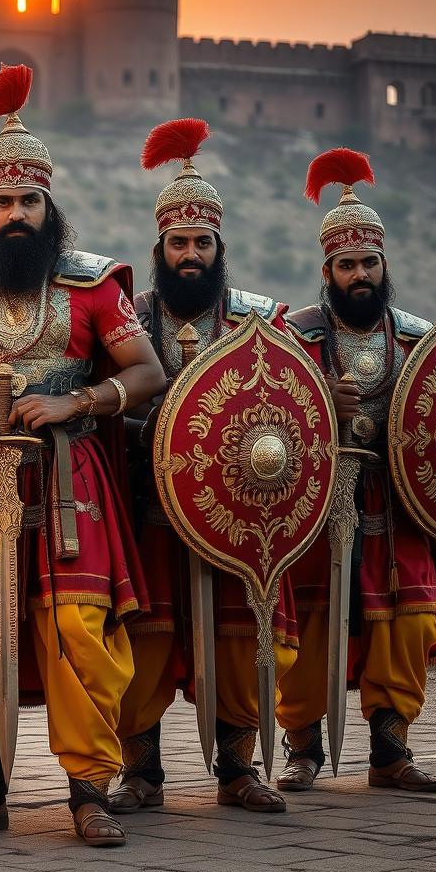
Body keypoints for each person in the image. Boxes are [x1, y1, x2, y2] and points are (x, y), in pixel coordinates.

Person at [0, 64, 166, 846]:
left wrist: (77, 402)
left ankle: (89, 794)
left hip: (69, 481)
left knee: (79, 628)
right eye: (3, 201)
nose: (15, 213)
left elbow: (147, 373)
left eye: (29, 202)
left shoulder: (91, 289)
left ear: (50, 208)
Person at [112, 118, 296, 816]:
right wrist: (147, 431)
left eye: (202, 243)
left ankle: (239, 770)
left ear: (220, 248)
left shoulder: (260, 324)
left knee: (239, 636)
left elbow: (286, 413)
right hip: (150, 513)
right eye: (178, 243)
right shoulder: (128, 320)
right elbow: (108, 409)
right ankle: (142, 773)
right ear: (160, 247)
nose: (190, 254)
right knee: (144, 642)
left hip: (235, 521)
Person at [275, 147, 436, 793]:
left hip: (400, 501)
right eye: (346, 264)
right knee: (311, 624)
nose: (359, 275)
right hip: (321, 503)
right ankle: (302, 747)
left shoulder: (417, 338)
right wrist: (321, 397)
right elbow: (267, 420)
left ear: (385, 266)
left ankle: (391, 749)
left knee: (408, 621)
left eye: (369, 263)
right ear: (328, 270)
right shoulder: (298, 337)